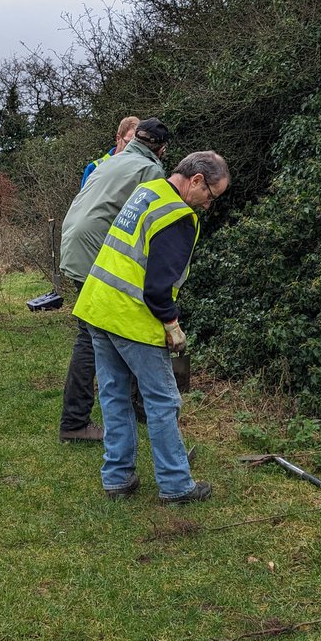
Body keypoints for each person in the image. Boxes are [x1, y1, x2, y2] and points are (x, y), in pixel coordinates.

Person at [73, 151, 230, 503]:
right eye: (210, 196)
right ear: (196, 181)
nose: (208, 206)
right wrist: (172, 325)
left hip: (99, 308)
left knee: (113, 397)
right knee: (163, 401)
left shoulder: (148, 190)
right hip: (132, 318)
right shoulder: (178, 217)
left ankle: (117, 480)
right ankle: (176, 485)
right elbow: (158, 287)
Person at [57, 117, 170, 442]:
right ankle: (76, 422)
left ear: (135, 138)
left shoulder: (114, 159)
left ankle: (136, 406)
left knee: (103, 329)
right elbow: (147, 226)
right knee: (94, 334)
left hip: (75, 241)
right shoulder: (151, 171)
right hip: (93, 246)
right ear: (161, 149)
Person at [80, 116, 140, 189]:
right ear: (118, 138)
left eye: (137, 145)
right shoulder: (93, 168)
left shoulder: (140, 170)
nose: (132, 148)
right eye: (128, 143)